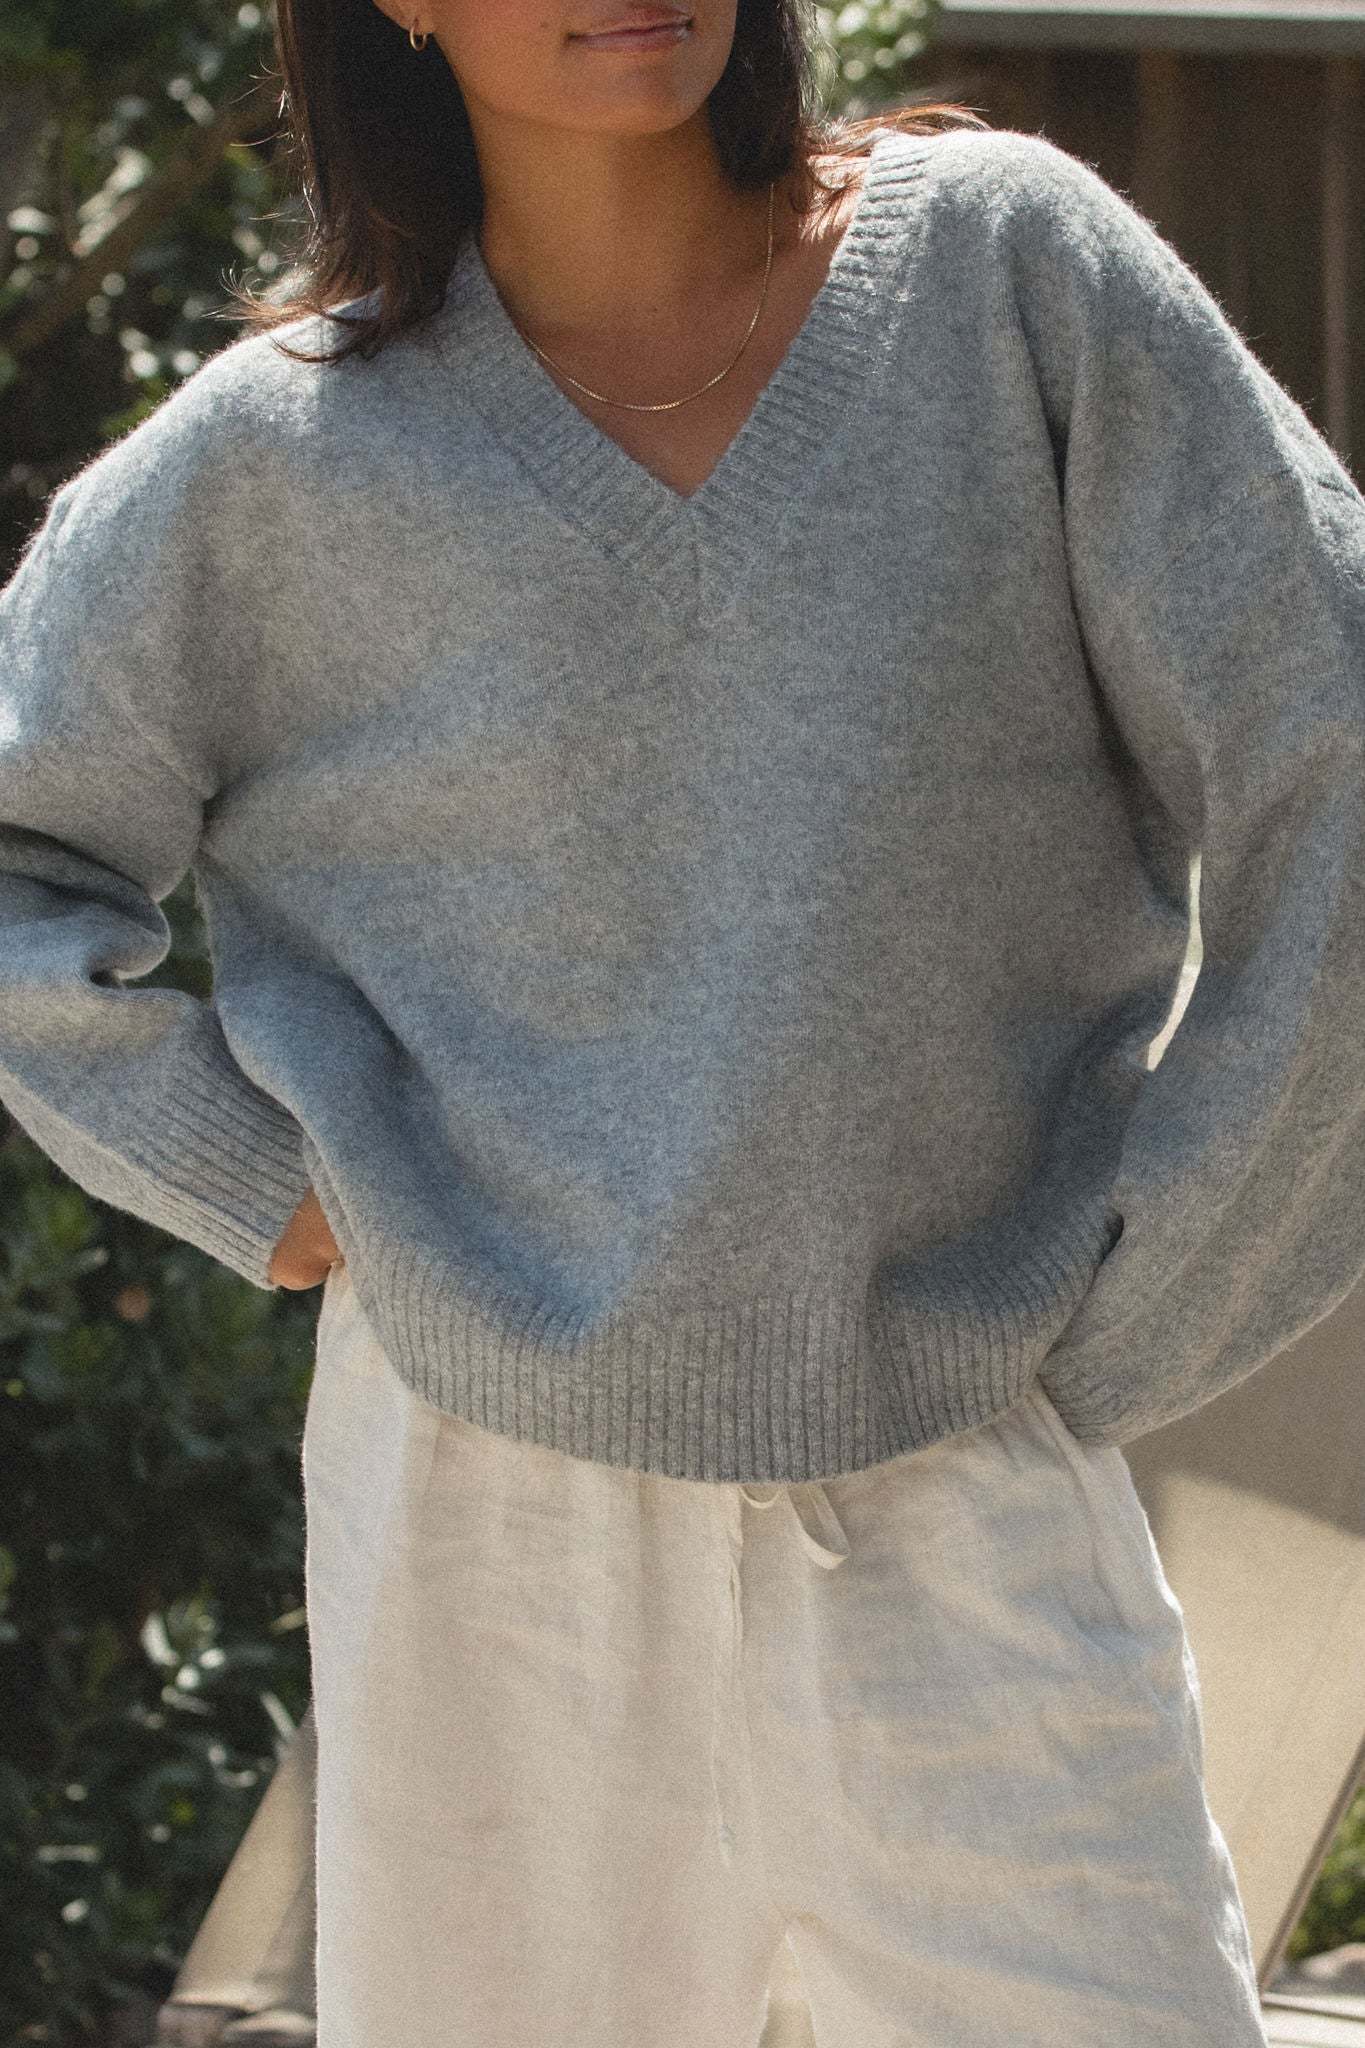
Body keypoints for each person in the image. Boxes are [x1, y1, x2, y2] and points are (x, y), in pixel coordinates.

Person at [3, 0, 1364, 2038]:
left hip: (971, 1501)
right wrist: (249, 1177)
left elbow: (1331, 762)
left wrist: (1139, 1318)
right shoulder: (272, 467)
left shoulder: (1005, 280)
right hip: (483, 1541)